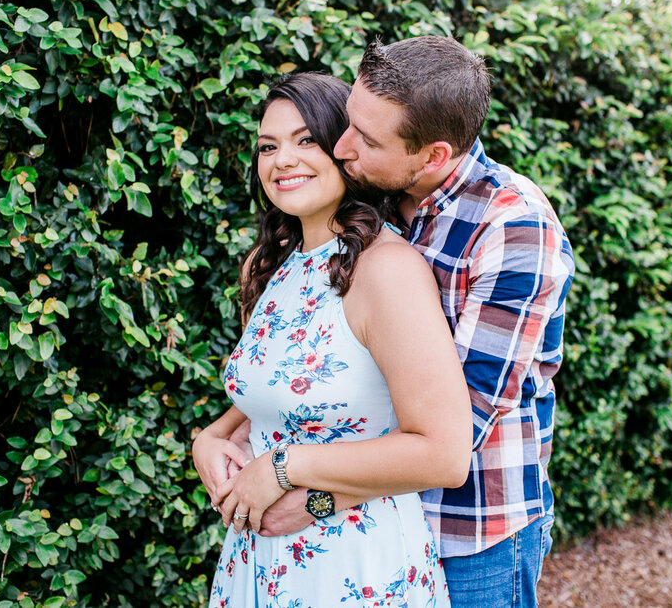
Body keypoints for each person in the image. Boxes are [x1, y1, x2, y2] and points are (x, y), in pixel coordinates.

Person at [244, 37, 576, 608]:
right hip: (369, 522)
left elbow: (457, 432)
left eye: (366, 140)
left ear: (433, 156)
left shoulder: (512, 228)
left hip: (471, 534)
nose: (342, 147)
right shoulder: (379, 203)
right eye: (347, 123)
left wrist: (311, 491)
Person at [194, 72, 473, 606]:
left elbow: (444, 454)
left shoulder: (385, 270)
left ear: (344, 151)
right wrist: (209, 438)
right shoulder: (269, 265)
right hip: (259, 556)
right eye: (268, 146)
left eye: (306, 141)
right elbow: (286, 395)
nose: (282, 160)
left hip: (355, 562)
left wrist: (281, 466)